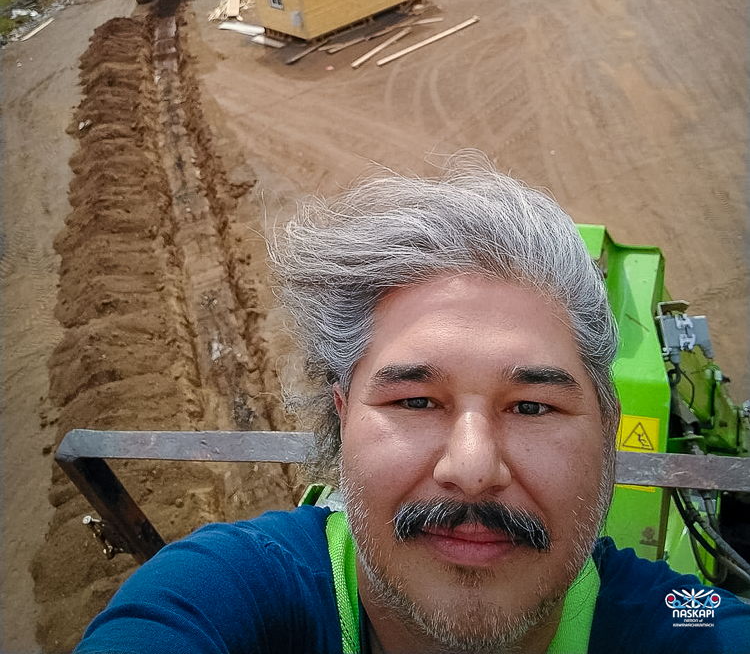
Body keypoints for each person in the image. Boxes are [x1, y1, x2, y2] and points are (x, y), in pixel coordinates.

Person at [75, 154, 749, 653]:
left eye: (533, 407)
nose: (474, 467)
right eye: (417, 400)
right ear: (341, 419)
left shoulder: (687, 620)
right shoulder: (222, 593)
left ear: (606, 432)